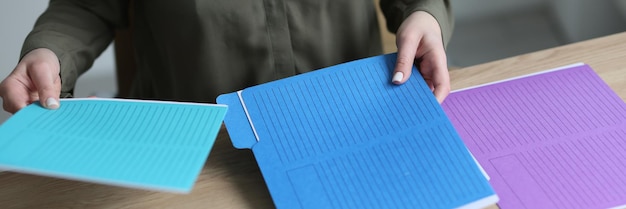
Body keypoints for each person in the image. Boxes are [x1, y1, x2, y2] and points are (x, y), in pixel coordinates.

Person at [0, 0, 453, 114]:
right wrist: (50, 51)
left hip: (346, 119)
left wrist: (425, 14)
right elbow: (85, 5)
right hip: (194, 137)